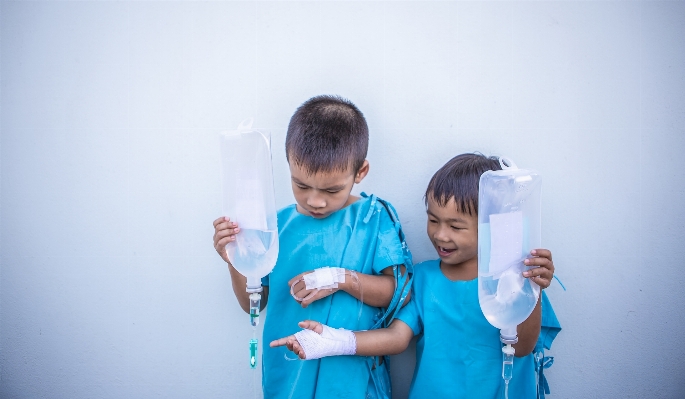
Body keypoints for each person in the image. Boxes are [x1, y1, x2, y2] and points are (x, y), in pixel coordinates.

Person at [271, 153, 561, 399]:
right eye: (433, 220)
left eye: (456, 226)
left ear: (490, 226)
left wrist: (530, 288)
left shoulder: (512, 280)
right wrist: (334, 340)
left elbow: (521, 347)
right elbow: (397, 338)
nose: (440, 234)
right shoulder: (423, 279)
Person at [212, 95, 412, 399]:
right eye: (301, 185)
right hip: (291, 377)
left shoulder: (374, 219)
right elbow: (254, 303)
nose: (315, 201)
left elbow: (397, 293)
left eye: (332, 190)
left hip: (354, 381)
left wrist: (338, 278)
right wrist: (234, 259)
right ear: (290, 165)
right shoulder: (273, 226)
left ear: (360, 172)